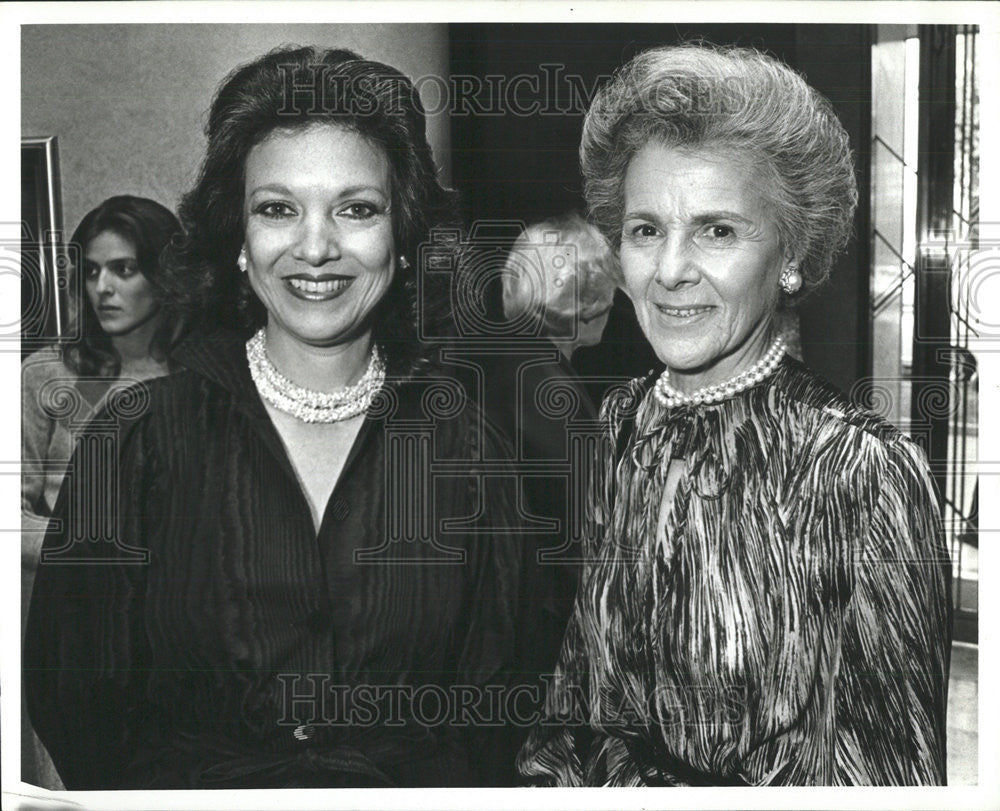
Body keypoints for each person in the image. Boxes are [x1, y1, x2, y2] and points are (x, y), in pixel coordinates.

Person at [25, 46, 547, 790]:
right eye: (278, 208)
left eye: (356, 208)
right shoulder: (135, 436)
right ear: (238, 237)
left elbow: (501, 706)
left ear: (401, 239)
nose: (315, 246)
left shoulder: (467, 447)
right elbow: (74, 696)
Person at [518, 43, 951, 786]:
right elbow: (576, 701)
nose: (670, 268)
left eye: (717, 230)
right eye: (646, 229)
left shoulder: (860, 472)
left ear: (791, 255)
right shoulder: (623, 419)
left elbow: (892, 779)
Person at [20, 194, 182, 789]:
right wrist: (92, 553)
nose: (102, 288)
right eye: (90, 271)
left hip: (177, 636)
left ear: (165, 276)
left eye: (123, 269)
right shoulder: (48, 375)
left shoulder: (201, 377)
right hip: (73, 634)